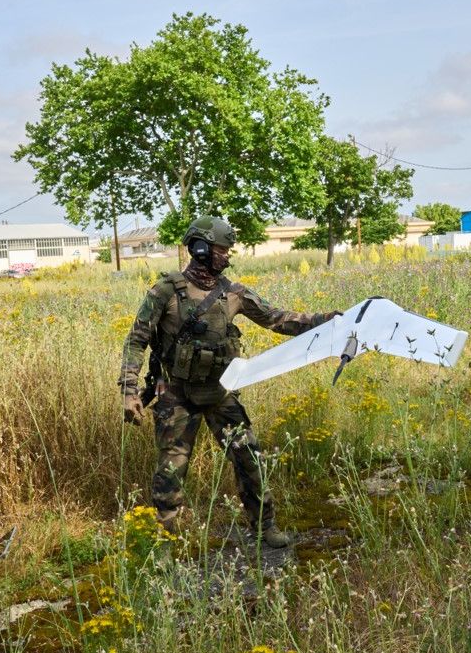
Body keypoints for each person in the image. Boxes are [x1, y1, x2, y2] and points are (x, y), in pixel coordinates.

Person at [120, 216, 338, 547]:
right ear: (201, 248)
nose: (227, 256)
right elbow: (136, 340)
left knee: (250, 459)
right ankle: (163, 543)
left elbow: (277, 319)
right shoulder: (166, 290)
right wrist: (129, 392)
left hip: (220, 394)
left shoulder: (233, 293)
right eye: (222, 249)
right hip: (176, 397)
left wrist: (326, 321)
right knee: (170, 472)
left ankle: (264, 528)